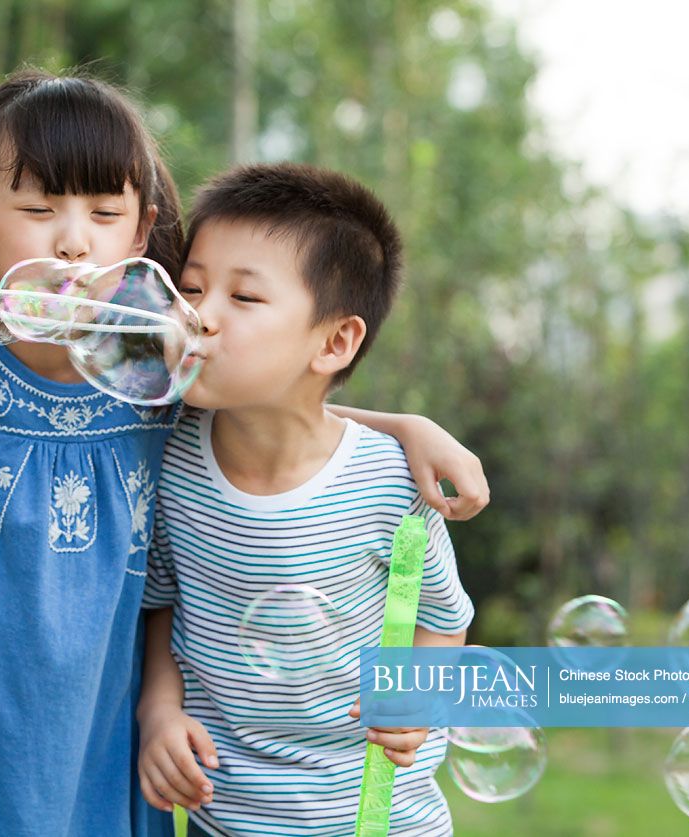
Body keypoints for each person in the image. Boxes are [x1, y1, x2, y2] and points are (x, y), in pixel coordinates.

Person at [0, 70, 486, 835]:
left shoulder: (153, 373)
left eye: (106, 211)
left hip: (102, 786)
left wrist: (400, 426)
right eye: (38, 207)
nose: (73, 242)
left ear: (142, 232)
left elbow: (274, 395)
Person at [138, 163, 475, 836]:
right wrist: (158, 711)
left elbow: (443, 615)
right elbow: (161, 603)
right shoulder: (170, 460)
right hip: (225, 819)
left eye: (245, 298)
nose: (199, 315)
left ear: (335, 341)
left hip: (379, 819)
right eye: (194, 287)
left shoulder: (389, 484)